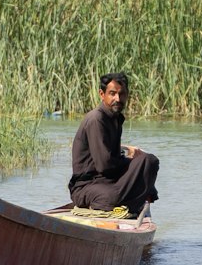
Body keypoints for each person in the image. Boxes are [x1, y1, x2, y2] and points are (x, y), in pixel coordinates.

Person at [68, 71, 159, 217]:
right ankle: (126, 203)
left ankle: (131, 201)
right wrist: (131, 161)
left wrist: (134, 160)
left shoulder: (115, 118)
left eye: (122, 94)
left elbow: (111, 159)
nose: (118, 98)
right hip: (87, 186)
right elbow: (105, 166)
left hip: (107, 181)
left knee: (149, 161)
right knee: (111, 197)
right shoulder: (96, 119)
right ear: (102, 94)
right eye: (112, 93)